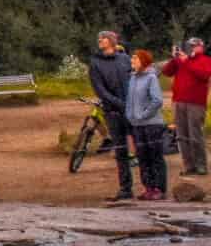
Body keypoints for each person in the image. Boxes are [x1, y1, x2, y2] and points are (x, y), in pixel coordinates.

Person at [89, 30, 135, 202]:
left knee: (143, 147)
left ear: (112, 41)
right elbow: (99, 89)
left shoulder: (124, 58)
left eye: (103, 38)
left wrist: (132, 102)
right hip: (113, 111)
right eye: (99, 38)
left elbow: (133, 79)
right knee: (121, 151)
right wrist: (118, 103)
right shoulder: (95, 63)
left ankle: (152, 187)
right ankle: (125, 188)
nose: (100, 40)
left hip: (132, 109)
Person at [127, 48, 170, 202]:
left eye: (135, 59)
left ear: (143, 61)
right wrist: (130, 116)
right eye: (132, 59)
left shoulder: (151, 78)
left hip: (152, 124)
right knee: (142, 157)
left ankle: (159, 188)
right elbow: (130, 101)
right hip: (137, 125)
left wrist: (143, 115)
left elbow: (157, 100)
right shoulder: (132, 78)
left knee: (155, 156)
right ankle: (149, 188)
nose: (132, 62)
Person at [167, 37, 210, 177]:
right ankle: (188, 165)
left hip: (196, 103)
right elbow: (167, 72)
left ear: (201, 47)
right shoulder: (181, 59)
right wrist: (174, 59)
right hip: (178, 101)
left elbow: (203, 75)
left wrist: (187, 62)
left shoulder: (206, 60)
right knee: (181, 136)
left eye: (193, 46)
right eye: (189, 46)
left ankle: (201, 165)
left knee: (195, 134)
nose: (191, 48)